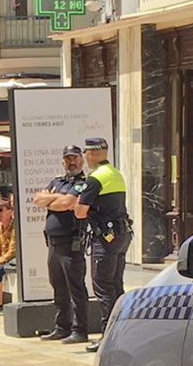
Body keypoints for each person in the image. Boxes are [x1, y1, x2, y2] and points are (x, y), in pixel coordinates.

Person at [75, 136, 131, 351]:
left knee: (103, 286)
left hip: (105, 239)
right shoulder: (116, 174)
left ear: (89, 154)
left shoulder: (94, 179)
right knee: (116, 284)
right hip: (122, 235)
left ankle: (107, 337)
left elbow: (80, 212)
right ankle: (121, 332)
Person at [32, 145, 91, 344]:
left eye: (74, 158)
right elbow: (37, 199)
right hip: (53, 244)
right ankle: (62, 327)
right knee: (58, 288)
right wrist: (58, 199)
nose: (71, 162)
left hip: (71, 243)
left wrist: (55, 200)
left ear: (81, 160)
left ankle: (80, 330)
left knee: (76, 289)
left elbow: (68, 204)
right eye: (67, 159)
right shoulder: (57, 181)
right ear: (63, 161)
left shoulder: (83, 183)